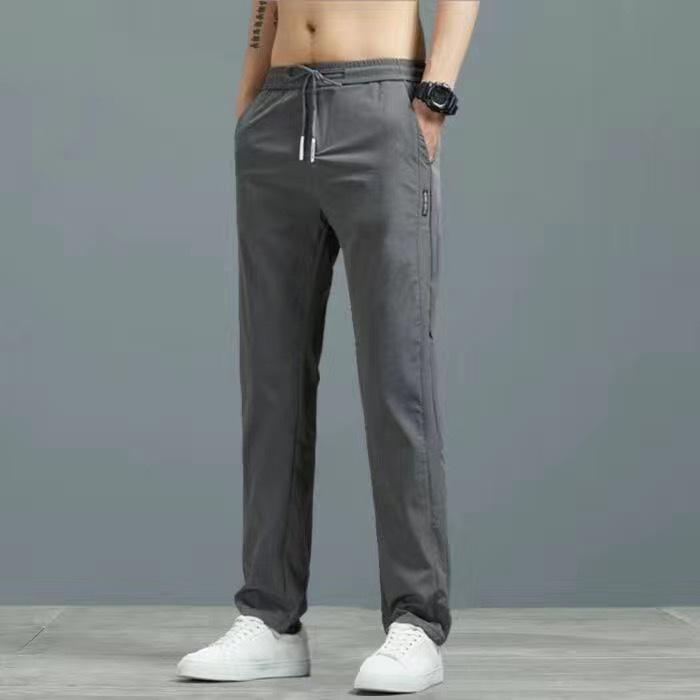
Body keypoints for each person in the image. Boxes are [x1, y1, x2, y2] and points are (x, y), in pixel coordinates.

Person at [177, 0, 479, 693]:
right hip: (278, 109)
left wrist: (434, 95)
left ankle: (416, 620)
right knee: (271, 380)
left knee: (398, 377)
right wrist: (248, 106)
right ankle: (271, 618)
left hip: (380, 102)